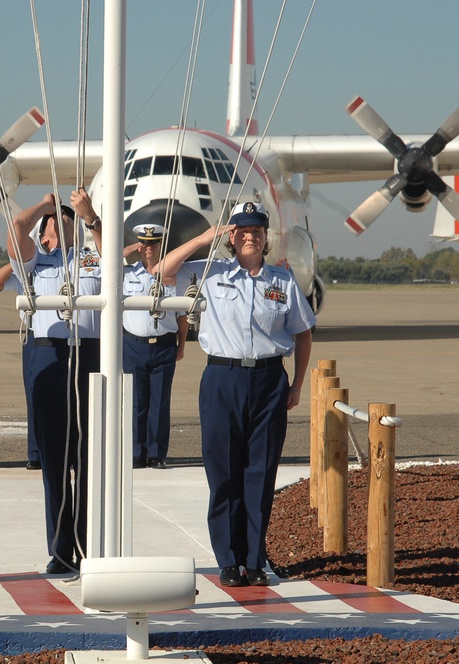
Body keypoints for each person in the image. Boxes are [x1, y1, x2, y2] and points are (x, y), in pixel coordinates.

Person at [155, 201, 315, 588]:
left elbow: (303, 332)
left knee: (260, 474)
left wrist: (296, 385)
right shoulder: (211, 272)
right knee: (223, 472)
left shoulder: (282, 281)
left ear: (265, 237)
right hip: (222, 379)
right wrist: (205, 238)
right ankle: (229, 561)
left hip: (268, 380)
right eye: (242, 230)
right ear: (232, 237)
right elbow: (162, 271)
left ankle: (255, 561)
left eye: (256, 231)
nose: (250, 237)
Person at [7, 188, 103, 575]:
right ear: (44, 232)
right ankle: (62, 550)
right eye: (54, 220)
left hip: (91, 354)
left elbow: (116, 257)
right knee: (56, 461)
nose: (62, 220)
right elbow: (16, 228)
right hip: (50, 354)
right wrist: (46, 207)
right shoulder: (35, 263)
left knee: (91, 458)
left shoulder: (94, 258)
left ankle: (90, 546)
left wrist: (91, 217)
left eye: (68, 218)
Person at [122, 224, 189, 469]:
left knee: (160, 402)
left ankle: (156, 453)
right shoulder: (127, 274)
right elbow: (103, 265)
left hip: (163, 345)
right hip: (133, 344)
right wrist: (125, 250)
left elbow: (181, 314)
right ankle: (136, 453)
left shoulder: (173, 276)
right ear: (139, 247)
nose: (149, 248)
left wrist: (181, 345)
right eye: (145, 244)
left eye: (154, 244)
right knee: (136, 402)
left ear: (161, 246)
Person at [0, 261, 41, 471]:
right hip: (33, 336)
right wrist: (17, 261)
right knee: (34, 396)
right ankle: (36, 453)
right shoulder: (24, 275)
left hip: (62, 335)